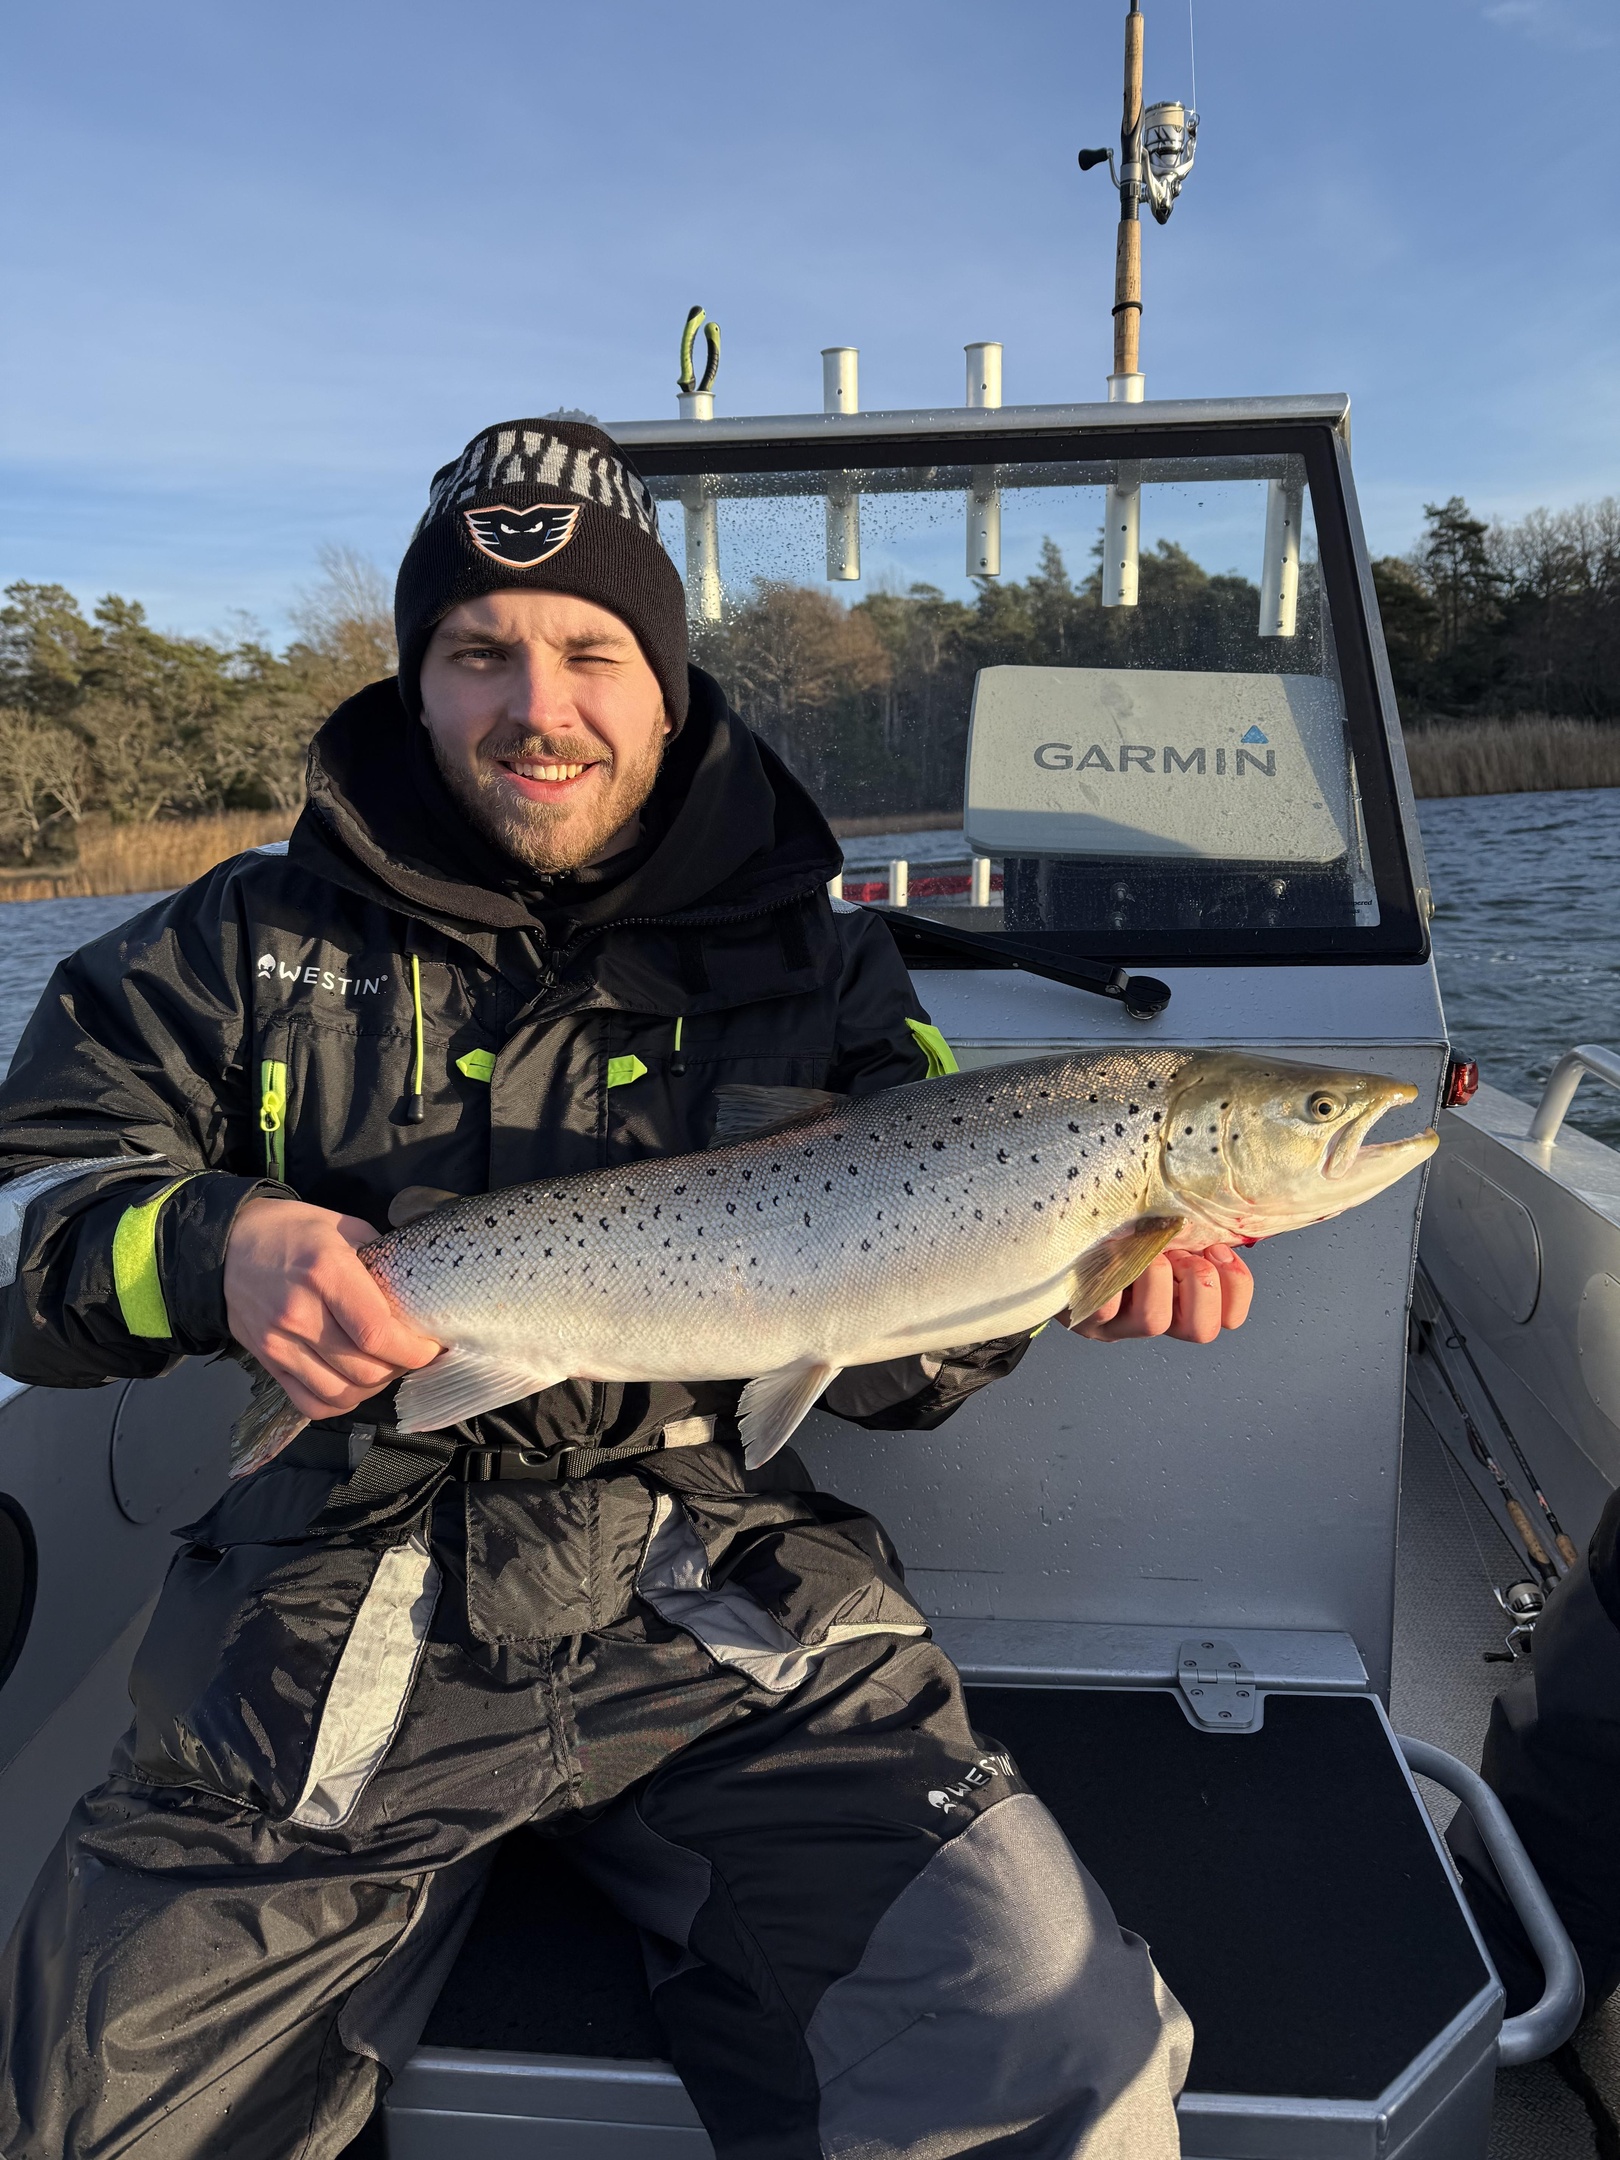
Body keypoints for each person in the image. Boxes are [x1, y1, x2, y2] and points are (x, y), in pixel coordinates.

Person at [0, 418, 1252, 2160]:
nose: (540, 705)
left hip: (725, 1592)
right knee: (112, 2117)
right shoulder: (230, 942)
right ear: (417, 682)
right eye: (479, 652)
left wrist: (1045, 1289)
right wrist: (221, 1248)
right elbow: (29, 1210)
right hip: (324, 1603)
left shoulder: (823, 955)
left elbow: (894, 1375)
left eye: (592, 650)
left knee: (1049, 2039)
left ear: (665, 686)